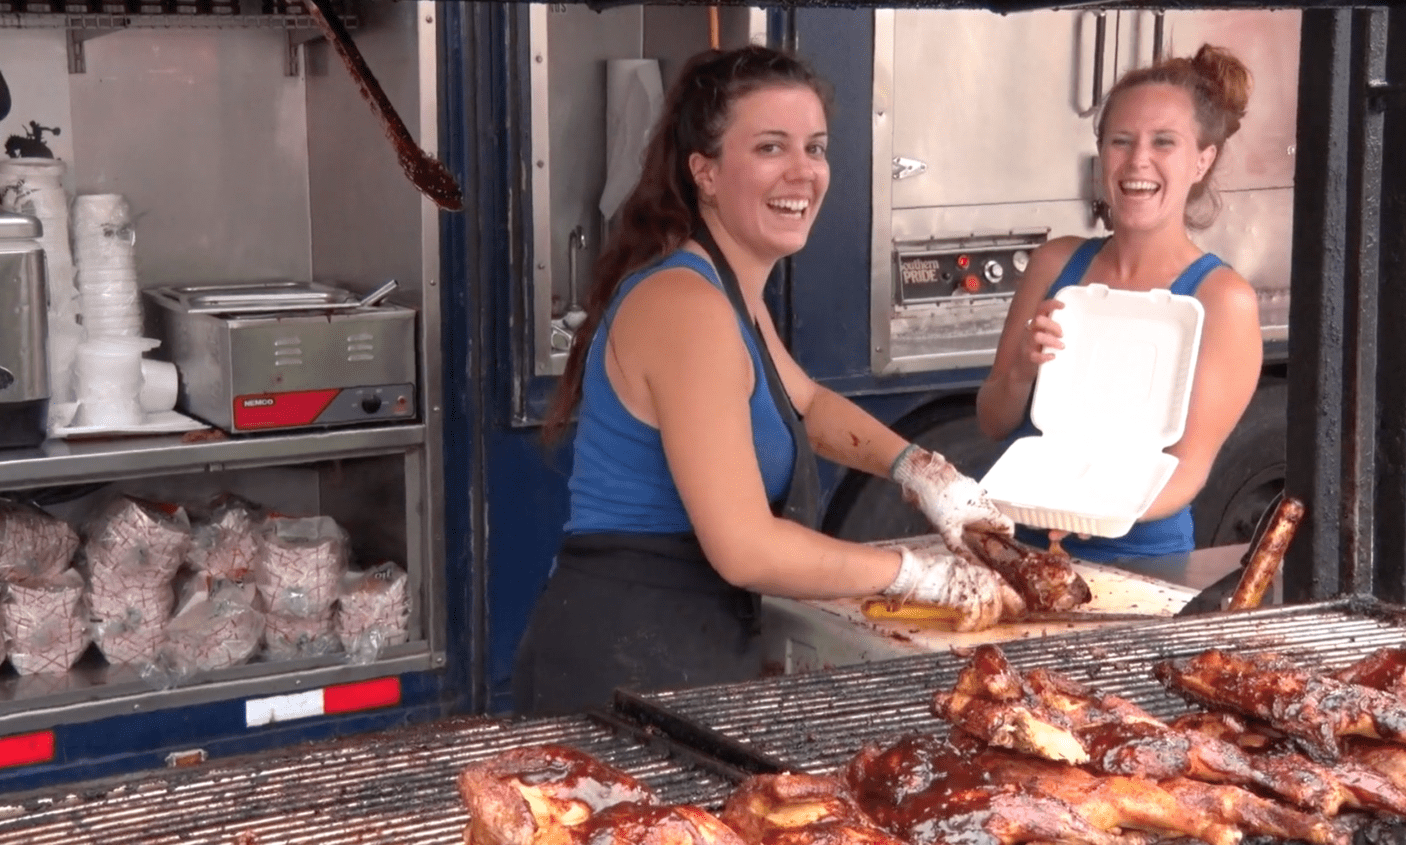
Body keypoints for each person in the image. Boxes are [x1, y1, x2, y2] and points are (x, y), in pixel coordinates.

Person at [513, 46, 1019, 716]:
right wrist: (917, 574)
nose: (802, 172)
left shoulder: (730, 291)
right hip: (619, 664)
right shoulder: (686, 307)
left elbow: (806, 403)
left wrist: (923, 473)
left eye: (815, 147)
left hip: (678, 649)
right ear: (705, 171)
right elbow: (747, 549)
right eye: (771, 147)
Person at [975, 44, 1263, 564]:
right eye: (1120, 141)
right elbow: (994, 421)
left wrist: (1086, 512)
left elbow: (1185, 472)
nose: (1137, 161)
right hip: (1019, 551)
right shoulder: (1054, 264)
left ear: (1203, 159)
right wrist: (1020, 370)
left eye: (1164, 142)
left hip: (1141, 562)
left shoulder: (1223, 301)